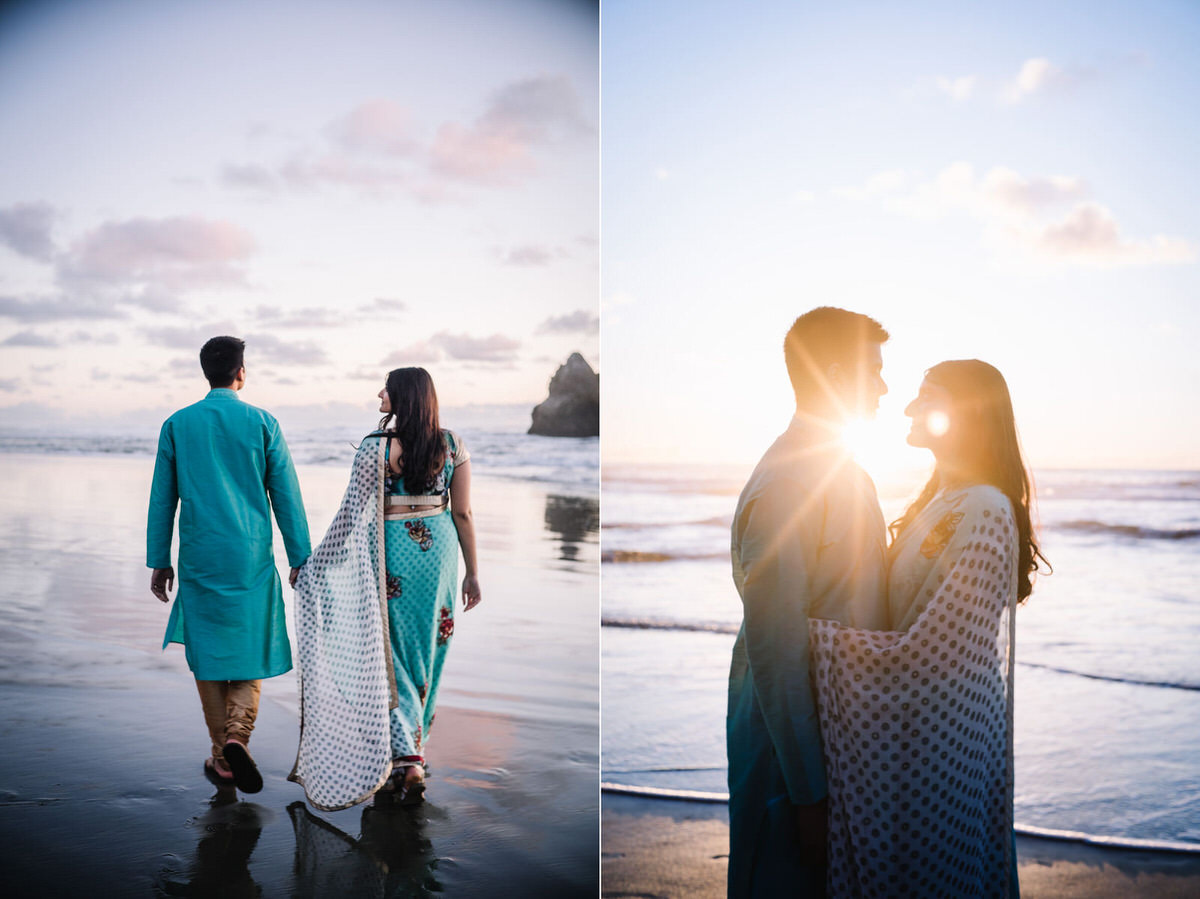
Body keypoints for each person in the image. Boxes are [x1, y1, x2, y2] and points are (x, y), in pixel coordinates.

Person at [810, 360, 1047, 898]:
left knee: (935, 877)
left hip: (949, 739)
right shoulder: (941, 499)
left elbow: (935, 649)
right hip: (921, 731)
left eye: (928, 397)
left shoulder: (985, 508)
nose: (911, 408)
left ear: (970, 415)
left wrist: (815, 641)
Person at [727, 307, 891, 898]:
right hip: (790, 745)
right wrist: (808, 794)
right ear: (837, 372)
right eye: (874, 370)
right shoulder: (790, 484)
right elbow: (776, 644)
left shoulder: (843, 470)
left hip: (836, 733)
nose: (883, 386)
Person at [290, 367, 481, 811]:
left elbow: (351, 515)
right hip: (440, 556)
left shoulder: (375, 449)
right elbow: (464, 514)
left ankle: (407, 758)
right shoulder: (452, 445)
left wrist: (315, 563)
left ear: (404, 397)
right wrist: (473, 572)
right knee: (426, 649)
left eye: (387, 388)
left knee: (388, 655)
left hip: (392, 553)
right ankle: (412, 749)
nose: (380, 393)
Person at [147, 335, 311, 793]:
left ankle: (222, 755)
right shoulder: (263, 422)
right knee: (249, 647)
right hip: (250, 557)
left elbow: (163, 499)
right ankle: (238, 735)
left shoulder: (178, 424)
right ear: (242, 372)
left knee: (209, 655)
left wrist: (159, 559)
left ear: (207, 373)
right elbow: (287, 497)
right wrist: (300, 556)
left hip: (200, 556)